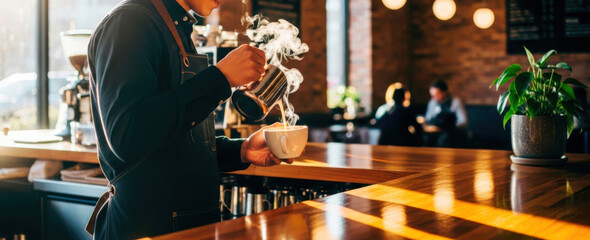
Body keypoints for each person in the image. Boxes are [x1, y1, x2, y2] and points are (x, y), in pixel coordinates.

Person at [86, 0, 290, 239]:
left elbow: (173, 139)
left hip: (192, 226)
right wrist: (220, 78)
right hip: (147, 227)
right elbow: (128, 136)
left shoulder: (176, 27)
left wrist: (241, 151)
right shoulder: (129, 22)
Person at [423, 80, 468, 147]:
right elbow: (428, 119)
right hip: (435, 133)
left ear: (444, 92)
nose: (434, 98)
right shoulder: (432, 103)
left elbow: (463, 122)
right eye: (432, 95)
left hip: (453, 133)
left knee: (445, 138)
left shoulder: (455, 102)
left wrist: (448, 127)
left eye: (437, 94)